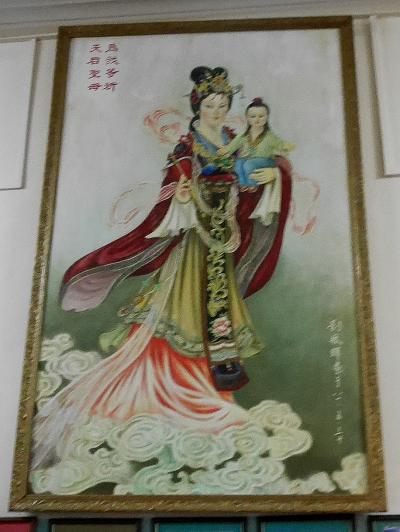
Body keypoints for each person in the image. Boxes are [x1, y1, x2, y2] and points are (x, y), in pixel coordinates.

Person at [32, 66, 293, 468]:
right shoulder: (186, 146)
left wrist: (272, 175)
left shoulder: (235, 141)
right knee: (184, 310)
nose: (217, 111)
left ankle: (211, 391)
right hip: (191, 242)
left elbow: (252, 180)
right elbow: (173, 187)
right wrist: (185, 195)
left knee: (216, 316)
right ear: (198, 107)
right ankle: (169, 391)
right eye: (210, 105)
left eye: (223, 104)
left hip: (222, 240)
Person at [218, 97, 295, 189]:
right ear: (247, 118)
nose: (257, 119)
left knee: (249, 164)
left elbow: (280, 144)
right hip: (250, 160)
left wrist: (287, 146)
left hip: (266, 161)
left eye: (261, 116)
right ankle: (243, 184)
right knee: (238, 163)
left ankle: (253, 184)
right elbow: (233, 145)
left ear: (267, 117)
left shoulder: (269, 136)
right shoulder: (244, 136)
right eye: (253, 116)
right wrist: (226, 150)